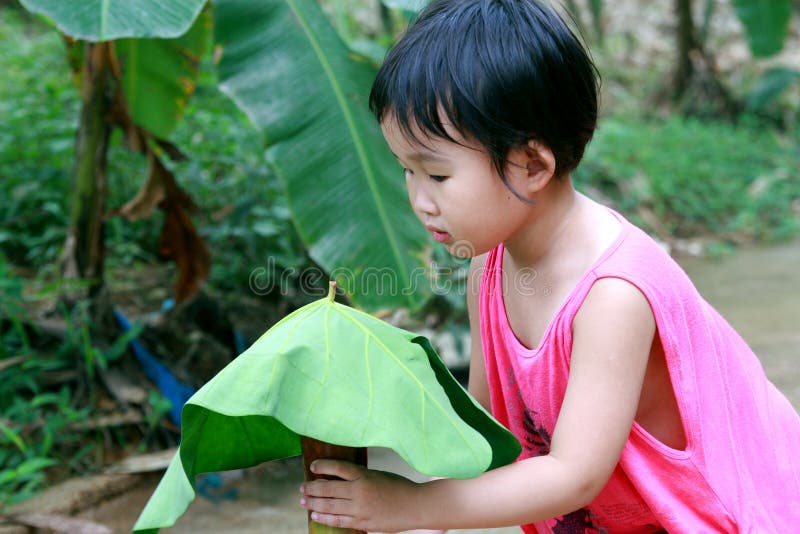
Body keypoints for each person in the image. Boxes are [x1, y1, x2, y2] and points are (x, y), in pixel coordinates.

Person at [300, 0, 800, 531]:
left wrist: (415, 505)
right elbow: (487, 433)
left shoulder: (613, 295)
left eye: (437, 176)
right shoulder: (488, 268)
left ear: (532, 164)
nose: (419, 201)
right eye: (407, 171)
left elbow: (573, 476)